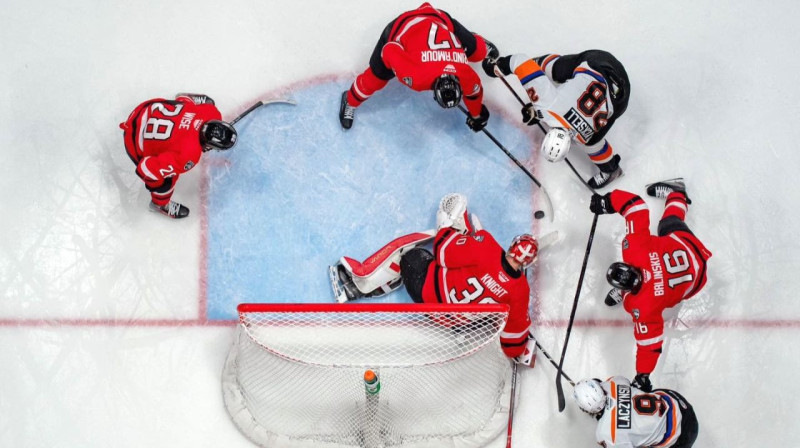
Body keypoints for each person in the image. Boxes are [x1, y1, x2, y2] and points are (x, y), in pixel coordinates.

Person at [330, 193, 555, 364]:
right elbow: (513, 345)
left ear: (511, 246)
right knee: (469, 267)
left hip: (426, 296)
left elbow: (442, 249)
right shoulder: (520, 291)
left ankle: (360, 285)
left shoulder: (486, 246)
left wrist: (452, 230)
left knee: (412, 255)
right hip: (455, 325)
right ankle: (463, 241)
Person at [589, 179, 712, 390]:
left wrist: (643, 375)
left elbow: (650, 344)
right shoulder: (636, 250)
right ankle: (677, 197)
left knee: (666, 227)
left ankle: (678, 191)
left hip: (694, 282)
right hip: (688, 250)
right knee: (669, 223)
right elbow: (635, 206)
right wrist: (607, 202)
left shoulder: (641, 307)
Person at [338, 2, 496, 133]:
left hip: (439, 18)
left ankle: (475, 42)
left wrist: (477, 114)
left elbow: (474, 93)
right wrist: (476, 115)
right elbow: (389, 49)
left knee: (479, 51)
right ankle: (350, 101)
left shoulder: (466, 76)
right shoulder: (416, 76)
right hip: (403, 25)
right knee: (375, 80)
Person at [485, 50, 630, 189]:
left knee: (593, 143)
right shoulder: (547, 105)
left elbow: (564, 117)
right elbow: (520, 61)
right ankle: (540, 66)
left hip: (617, 95)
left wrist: (538, 112)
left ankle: (611, 169)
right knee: (551, 69)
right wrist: (498, 67)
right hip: (602, 66)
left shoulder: (583, 137)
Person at [120, 93, 237, 219]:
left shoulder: (211, 111)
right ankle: (159, 204)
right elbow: (146, 170)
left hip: (144, 110)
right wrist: (157, 183)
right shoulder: (187, 156)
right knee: (167, 180)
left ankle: (186, 97)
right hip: (134, 142)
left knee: (185, 106)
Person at [573, 375, 699, 447]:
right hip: (677, 402)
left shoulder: (606, 434)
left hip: (683, 435)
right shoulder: (614, 383)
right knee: (639, 389)